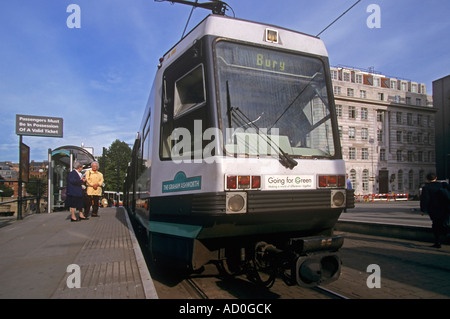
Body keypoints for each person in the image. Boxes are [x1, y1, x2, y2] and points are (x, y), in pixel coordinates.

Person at [420, 173, 450, 248]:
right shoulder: (443, 185)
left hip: (434, 209)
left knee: (436, 225)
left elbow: (425, 199)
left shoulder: (426, 187)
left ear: (427, 179)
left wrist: (423, 210)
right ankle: (446, 232)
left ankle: (438, 242)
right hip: (446, 208)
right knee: (444, 223)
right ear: (436, 178)